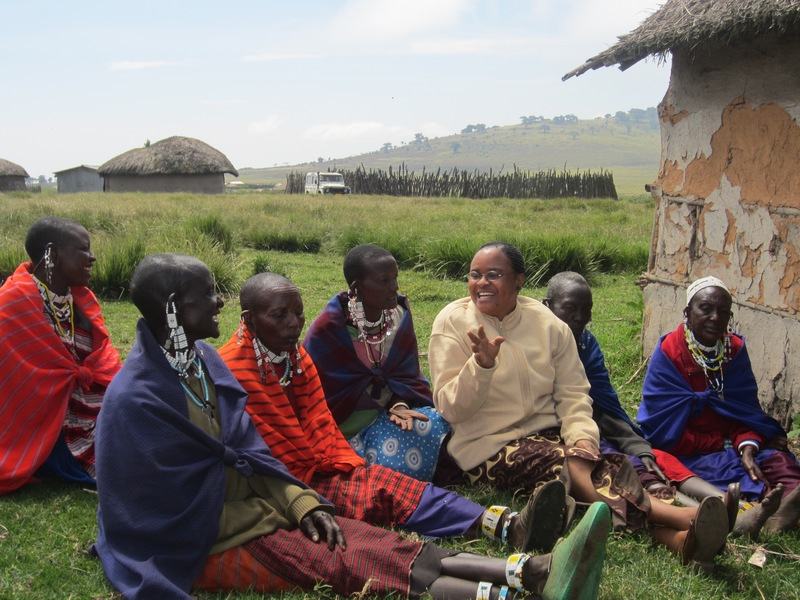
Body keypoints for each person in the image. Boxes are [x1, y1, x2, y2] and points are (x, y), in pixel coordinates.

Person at [94, 253, 611, 600]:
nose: (219, 303)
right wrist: (289, 505)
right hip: (202, 536)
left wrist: (300, 501)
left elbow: (266, 443)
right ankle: (509, 585)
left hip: (282, 490)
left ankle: (525, 566)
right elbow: (162, 504)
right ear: (172, 308)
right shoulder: (139, 398)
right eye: (208, 294)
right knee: (347, 556)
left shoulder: (201, 364)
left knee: (368, 526)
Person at [429, 242, 731, 566]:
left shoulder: (547, 324)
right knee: (569, 466)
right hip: (486, 446)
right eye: (475, 275)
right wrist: (481, 367)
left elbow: (573, 393)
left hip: (548, 433)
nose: (482, 283)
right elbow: (450, 408)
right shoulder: (452, 323)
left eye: (493, 274)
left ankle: (678, 541)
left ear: (519, 280)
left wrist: (583, 436)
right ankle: (683, 516)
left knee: (606, 467)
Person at [220, 271, 571, 552]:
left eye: (298, 313)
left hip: (325, 459)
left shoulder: (295, 356)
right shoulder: (232, 370)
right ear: (250, 320)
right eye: (279, 315)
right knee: (383, 494)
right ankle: (505, 527)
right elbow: (262, 448)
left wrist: (394, 407)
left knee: (393, 478)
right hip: (281, 484)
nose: (294, 324)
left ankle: (505, 523)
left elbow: (318, 418)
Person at [638, 275, 800, 534]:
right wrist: (719, 445)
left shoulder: (733, 349)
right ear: (687, 312)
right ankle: (746, 509)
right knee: (660, 461)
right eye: (705, 308)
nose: (715, 317)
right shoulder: (670, 352)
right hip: (686, 449)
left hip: (731, 444)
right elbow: (660, 429)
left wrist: (747, 446)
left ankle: (783, 509)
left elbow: (745, 410)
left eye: (723, 312)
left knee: (776, 458)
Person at [305, 243, 448, 481]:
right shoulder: (330, 329)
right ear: (357, 288)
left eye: (395, 278)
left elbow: (406, 377)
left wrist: (400, 405)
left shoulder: (399, 318)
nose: (394, 287)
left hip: (385, 422)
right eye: (384, 281)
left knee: (437, 420)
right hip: (340, 434)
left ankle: (380, 471)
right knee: (393, 471)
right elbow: (318, 399)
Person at [0, 217, 121, 494]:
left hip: (88, 403)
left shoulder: (82, 299)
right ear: (52, 254)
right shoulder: (13, 302)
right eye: (83, 250)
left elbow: (101, 360)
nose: (92, 258)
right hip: (41, 420)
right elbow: (14, 381)